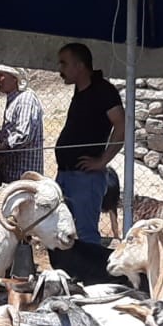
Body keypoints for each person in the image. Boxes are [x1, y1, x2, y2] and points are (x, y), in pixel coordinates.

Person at [55, 43, 125, 245]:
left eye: (64, 63)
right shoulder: (81, 90)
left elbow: (122, 126)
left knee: (86, 235)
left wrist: (102, 161)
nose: (60, 69)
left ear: (79, 65)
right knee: (62, 230)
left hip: (85, 177)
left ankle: (92, 267)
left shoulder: (103, 91)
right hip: (67, 174)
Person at [0, 65, 44, 184]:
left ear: (15, 78)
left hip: (24, 177)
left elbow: (23, 134)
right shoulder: (15, 98)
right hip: (15, 176)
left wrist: (0, 149)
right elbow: (13, 129)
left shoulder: (25, 99)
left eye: (1, 75)